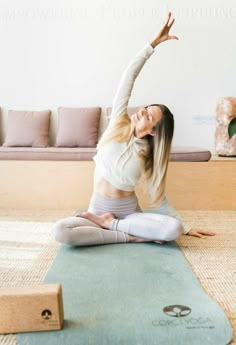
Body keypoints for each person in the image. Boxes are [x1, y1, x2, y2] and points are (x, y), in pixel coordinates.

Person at [52, 12, 216, 246]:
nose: (142, 111)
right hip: (96, 209)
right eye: (146, 107)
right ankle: (126, 236)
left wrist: (187, 227)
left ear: (153, 131)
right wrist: (153, 44)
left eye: (148, 115)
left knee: (173, 229)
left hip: (129, 215)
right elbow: (129, 75)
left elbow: (159, 201)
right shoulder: (118, 121)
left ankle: (112, 226)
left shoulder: (149, 157)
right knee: (61, 231)